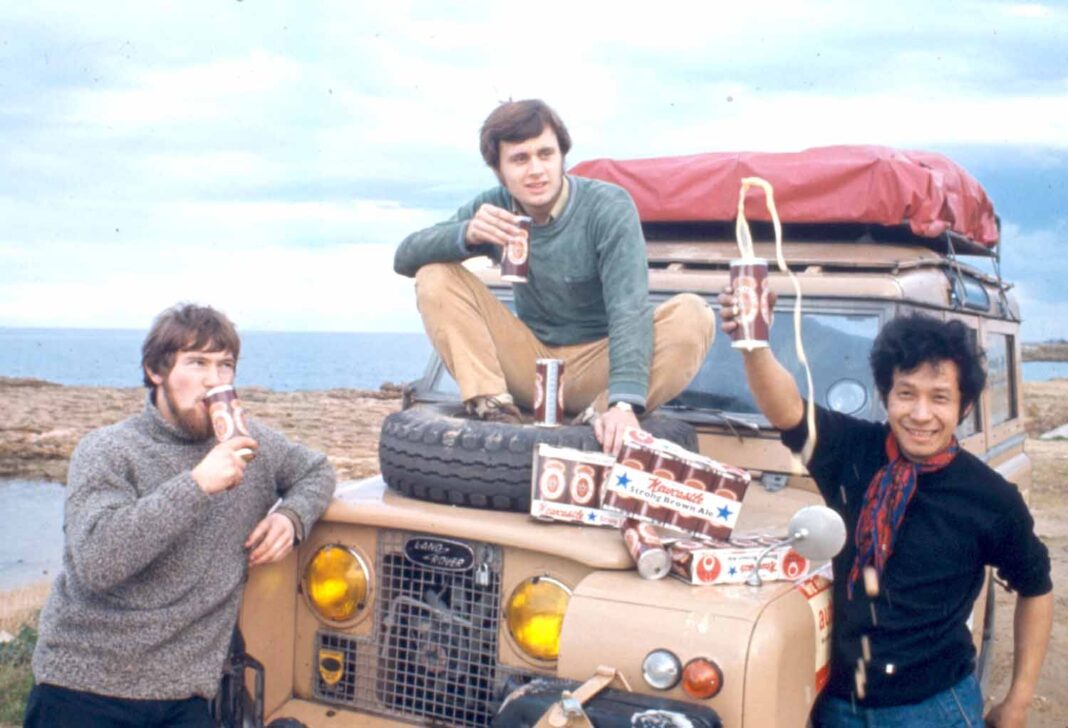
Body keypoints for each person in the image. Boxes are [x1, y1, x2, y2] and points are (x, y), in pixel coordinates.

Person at [718, 296, 1052, 728]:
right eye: (906, 394)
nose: (920, 414)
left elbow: (1036, 587)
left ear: (964, 407)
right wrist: (754, 345)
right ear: (886, 395)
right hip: (840, 704)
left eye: (940, 398)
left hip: (936, 707)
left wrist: (1019, 699)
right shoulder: (851, 451)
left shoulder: (990, 498)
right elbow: (788, 411)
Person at [25, 303, 336, 728]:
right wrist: (197, 485)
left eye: (225, 365)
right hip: (85, 687)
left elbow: (317, 470)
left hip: (187, 697)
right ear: (157, 371)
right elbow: (97, 562)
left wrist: (291, 519)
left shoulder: (251, 444)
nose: (214, 380)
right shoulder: (108, 450)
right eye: (197, 362)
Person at [394, 98, 715, 455]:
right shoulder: (494, 206)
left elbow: (630, 309)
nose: (536, 170)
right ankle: (494, 410)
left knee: (693, 313)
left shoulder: (607, 206)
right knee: (435, 273)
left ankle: (605, 417)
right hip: (532, 366)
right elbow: (405, 257)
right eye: (519, 159)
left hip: (600, 366)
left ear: (562, 156)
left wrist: (624, 404)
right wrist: (467, 233)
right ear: (499, 171)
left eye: (545, 154)